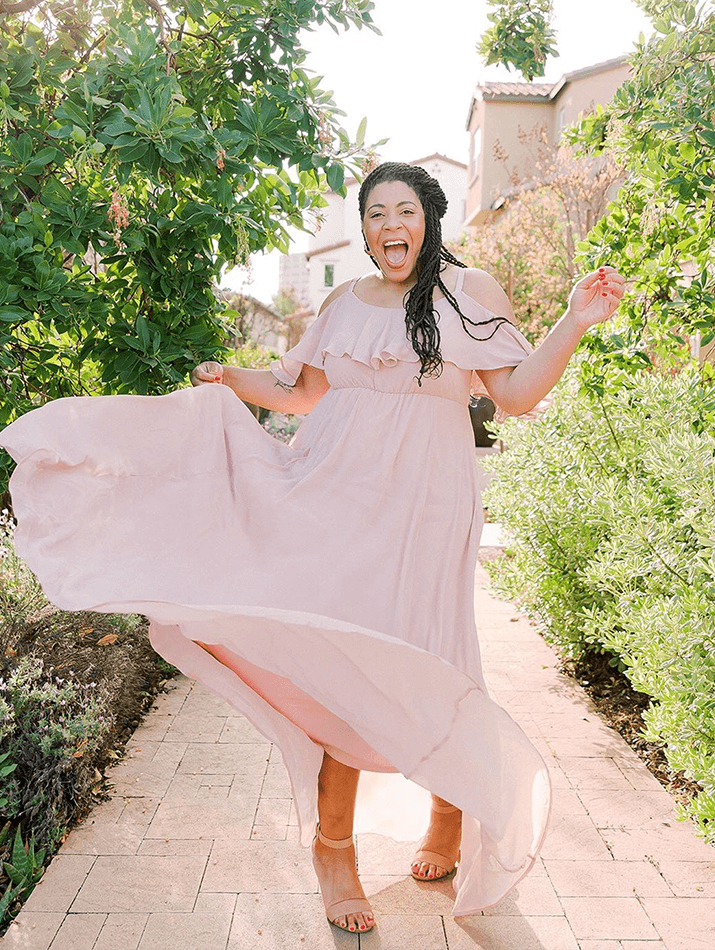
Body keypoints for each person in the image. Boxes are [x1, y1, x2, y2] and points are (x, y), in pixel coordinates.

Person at [0, 161, 624, 936]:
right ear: (364, 230)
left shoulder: (469, 293)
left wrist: (572, 320)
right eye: (374, 213)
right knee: (337, 660)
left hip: (425, 512)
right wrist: (229, 377)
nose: (389, 223)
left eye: (404, 209)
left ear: (427, 219)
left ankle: (450, 818)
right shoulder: (341, 302)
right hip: (331, 496)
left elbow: (517, 395)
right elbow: (299, 393)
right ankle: (333, 848)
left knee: (428, 655)